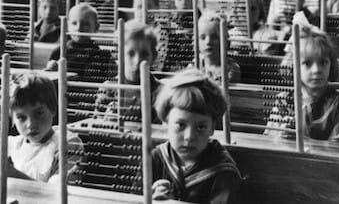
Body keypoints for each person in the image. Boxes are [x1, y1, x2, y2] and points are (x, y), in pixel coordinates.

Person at [152, 69, 241, 203]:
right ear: (165, 122)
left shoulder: (224, 173)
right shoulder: (155, 159)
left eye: (201, 127)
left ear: (212, 128)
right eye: (180, 125)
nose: (189, 136)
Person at [0, 73, 82, 183]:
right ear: (12, 119)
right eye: (21, 117)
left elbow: (57, 194)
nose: (31, 125)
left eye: (38, 113)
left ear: (53, 110)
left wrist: (15, 175)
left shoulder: (68, 144)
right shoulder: (9, 145)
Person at [266, 27, 339, 141]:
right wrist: (279, 136)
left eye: (323, 62)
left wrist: (304, 141)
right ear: (294, 67)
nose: (316, 70)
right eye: (307, 63)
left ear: (331, 65)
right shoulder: (283, 100)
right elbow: (268, 140)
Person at [95, 20, 161, 122]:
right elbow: (95, 125)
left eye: (144, 54)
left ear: (153, 57)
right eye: (131, 53)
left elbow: (160, 131)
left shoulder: (160, 92)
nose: (137, 60)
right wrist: (106, 120)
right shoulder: (108, 89)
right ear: (117, 55)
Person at [46, 4, 116, 80]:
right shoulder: (58, 51)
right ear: (68, 26)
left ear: (96, 27)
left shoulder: (101, 55)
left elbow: (92, 83)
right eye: (74, 23)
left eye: (85, 24)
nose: (78, 28)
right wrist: (51, 70)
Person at [197, 11, 240, 83]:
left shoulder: (230, 69)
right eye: (203, 37)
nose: (208, 42)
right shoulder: (196, 63)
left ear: (226, 42)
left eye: (214, 37)